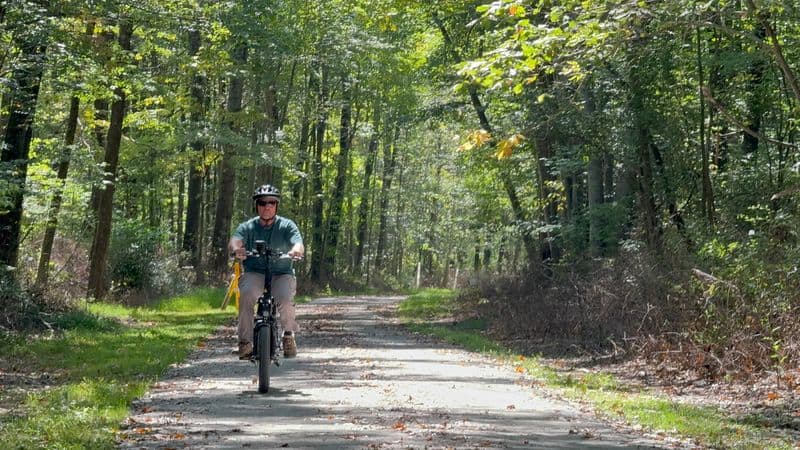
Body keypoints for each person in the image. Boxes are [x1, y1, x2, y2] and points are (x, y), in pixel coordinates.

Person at [228, 184, 304, 360]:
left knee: (285, 299)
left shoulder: (287, 225)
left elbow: (297, 243)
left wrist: (296, 251)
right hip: (255, 272)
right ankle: (245, 343)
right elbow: (235, 240)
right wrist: (237, 249)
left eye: (271, 202)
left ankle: (288, 335)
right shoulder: (248, 226)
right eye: (262, 202)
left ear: (276, 205)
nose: (267, 206)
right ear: (257, 205)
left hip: (281, 272)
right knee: (246, 295)